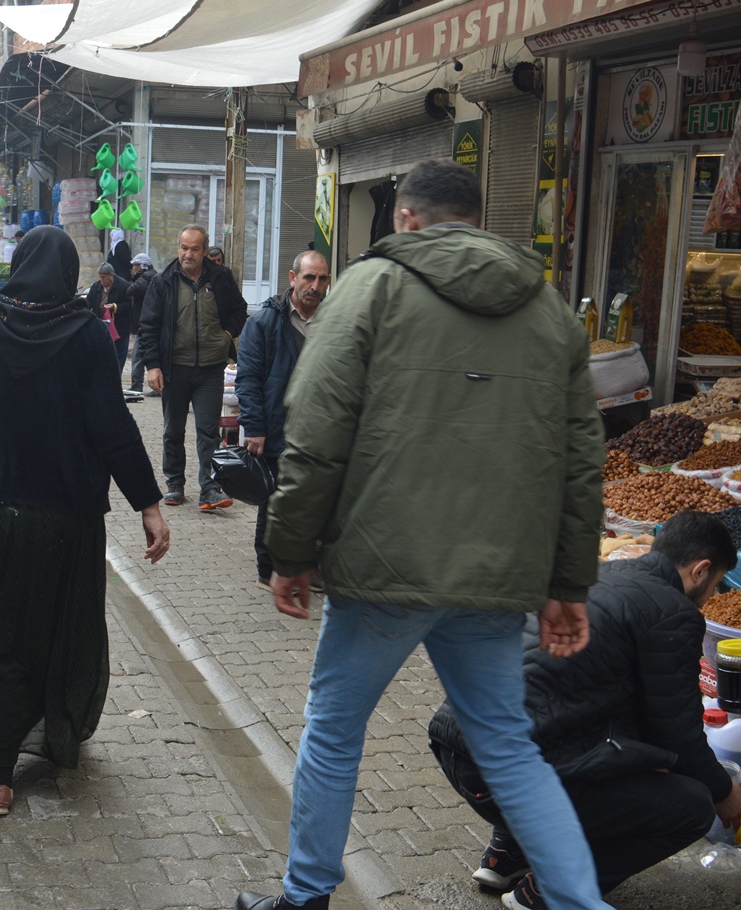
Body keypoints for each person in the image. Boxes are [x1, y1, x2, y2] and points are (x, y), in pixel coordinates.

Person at [235, 157, 608, 910]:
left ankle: (306, 896)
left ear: (405, 218)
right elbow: (581, 464)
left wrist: (290, 551)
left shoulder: (370, 287)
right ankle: (582, 904)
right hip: (496, 578)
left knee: (334, 730)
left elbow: (315, 435)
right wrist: (568, 585)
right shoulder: (548, 310)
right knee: (508, 747)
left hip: (385, 569)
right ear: (477, 221)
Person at [0, 225, 171, 817]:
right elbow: (113, 427)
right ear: (68, 274)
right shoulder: (88, 335)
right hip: (60, 521)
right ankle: (48, 735)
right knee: (44, 633)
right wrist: (147, 503)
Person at [428, 510, 741, 910]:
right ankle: (549, 891)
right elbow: (678, 731)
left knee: (557, 727)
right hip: (508, 777)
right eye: (716, 585)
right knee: (692, 805)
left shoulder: (596, 575)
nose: (712, 596)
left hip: (457, 748)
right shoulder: (673, 611)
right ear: (701, 570)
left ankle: (505, 856)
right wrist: (723, 791)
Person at [235, 250, 330, 590]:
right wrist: (254, 428)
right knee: (274, 499)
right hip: (277, 425)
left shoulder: (334, 321)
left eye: (322, 279)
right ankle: (268, 566)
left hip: (320, 429)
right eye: (309, 277)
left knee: (315, 499)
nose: (315, 286)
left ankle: (309, 564)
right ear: (293, 278)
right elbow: (248, 378)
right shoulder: (264, 322)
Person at [137, 224, 248, 511]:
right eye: (184, 248)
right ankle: (175, 483)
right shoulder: (163, 282)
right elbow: (148, 326)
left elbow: (239, 310)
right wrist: (153, 366)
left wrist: (226, 335)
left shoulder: (221, 278)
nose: (188, 254)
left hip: (211, 369)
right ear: (178, 248)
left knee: (208, 431)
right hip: (174, 369)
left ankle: (210, 487)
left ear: (204, 250)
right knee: (173, 430)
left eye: (195, 249)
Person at [85, 263, 133, 370]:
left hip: (119, 326)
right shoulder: (96, 286)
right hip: (101, 325)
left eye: (104, 277)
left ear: (111, 275)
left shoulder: (123, 286)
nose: (102, 280)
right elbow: (89, 302)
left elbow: (129, 305)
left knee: (119, 354)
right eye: (100, 277)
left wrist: (114, 307)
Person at [127, 253, 155, 394]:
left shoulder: (146, 278)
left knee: (137, 355)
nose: (134, 268)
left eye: (136, 265)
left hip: (145, 324)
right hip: (150, 322)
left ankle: (137, 385)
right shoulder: (152, 277)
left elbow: (131, 290)